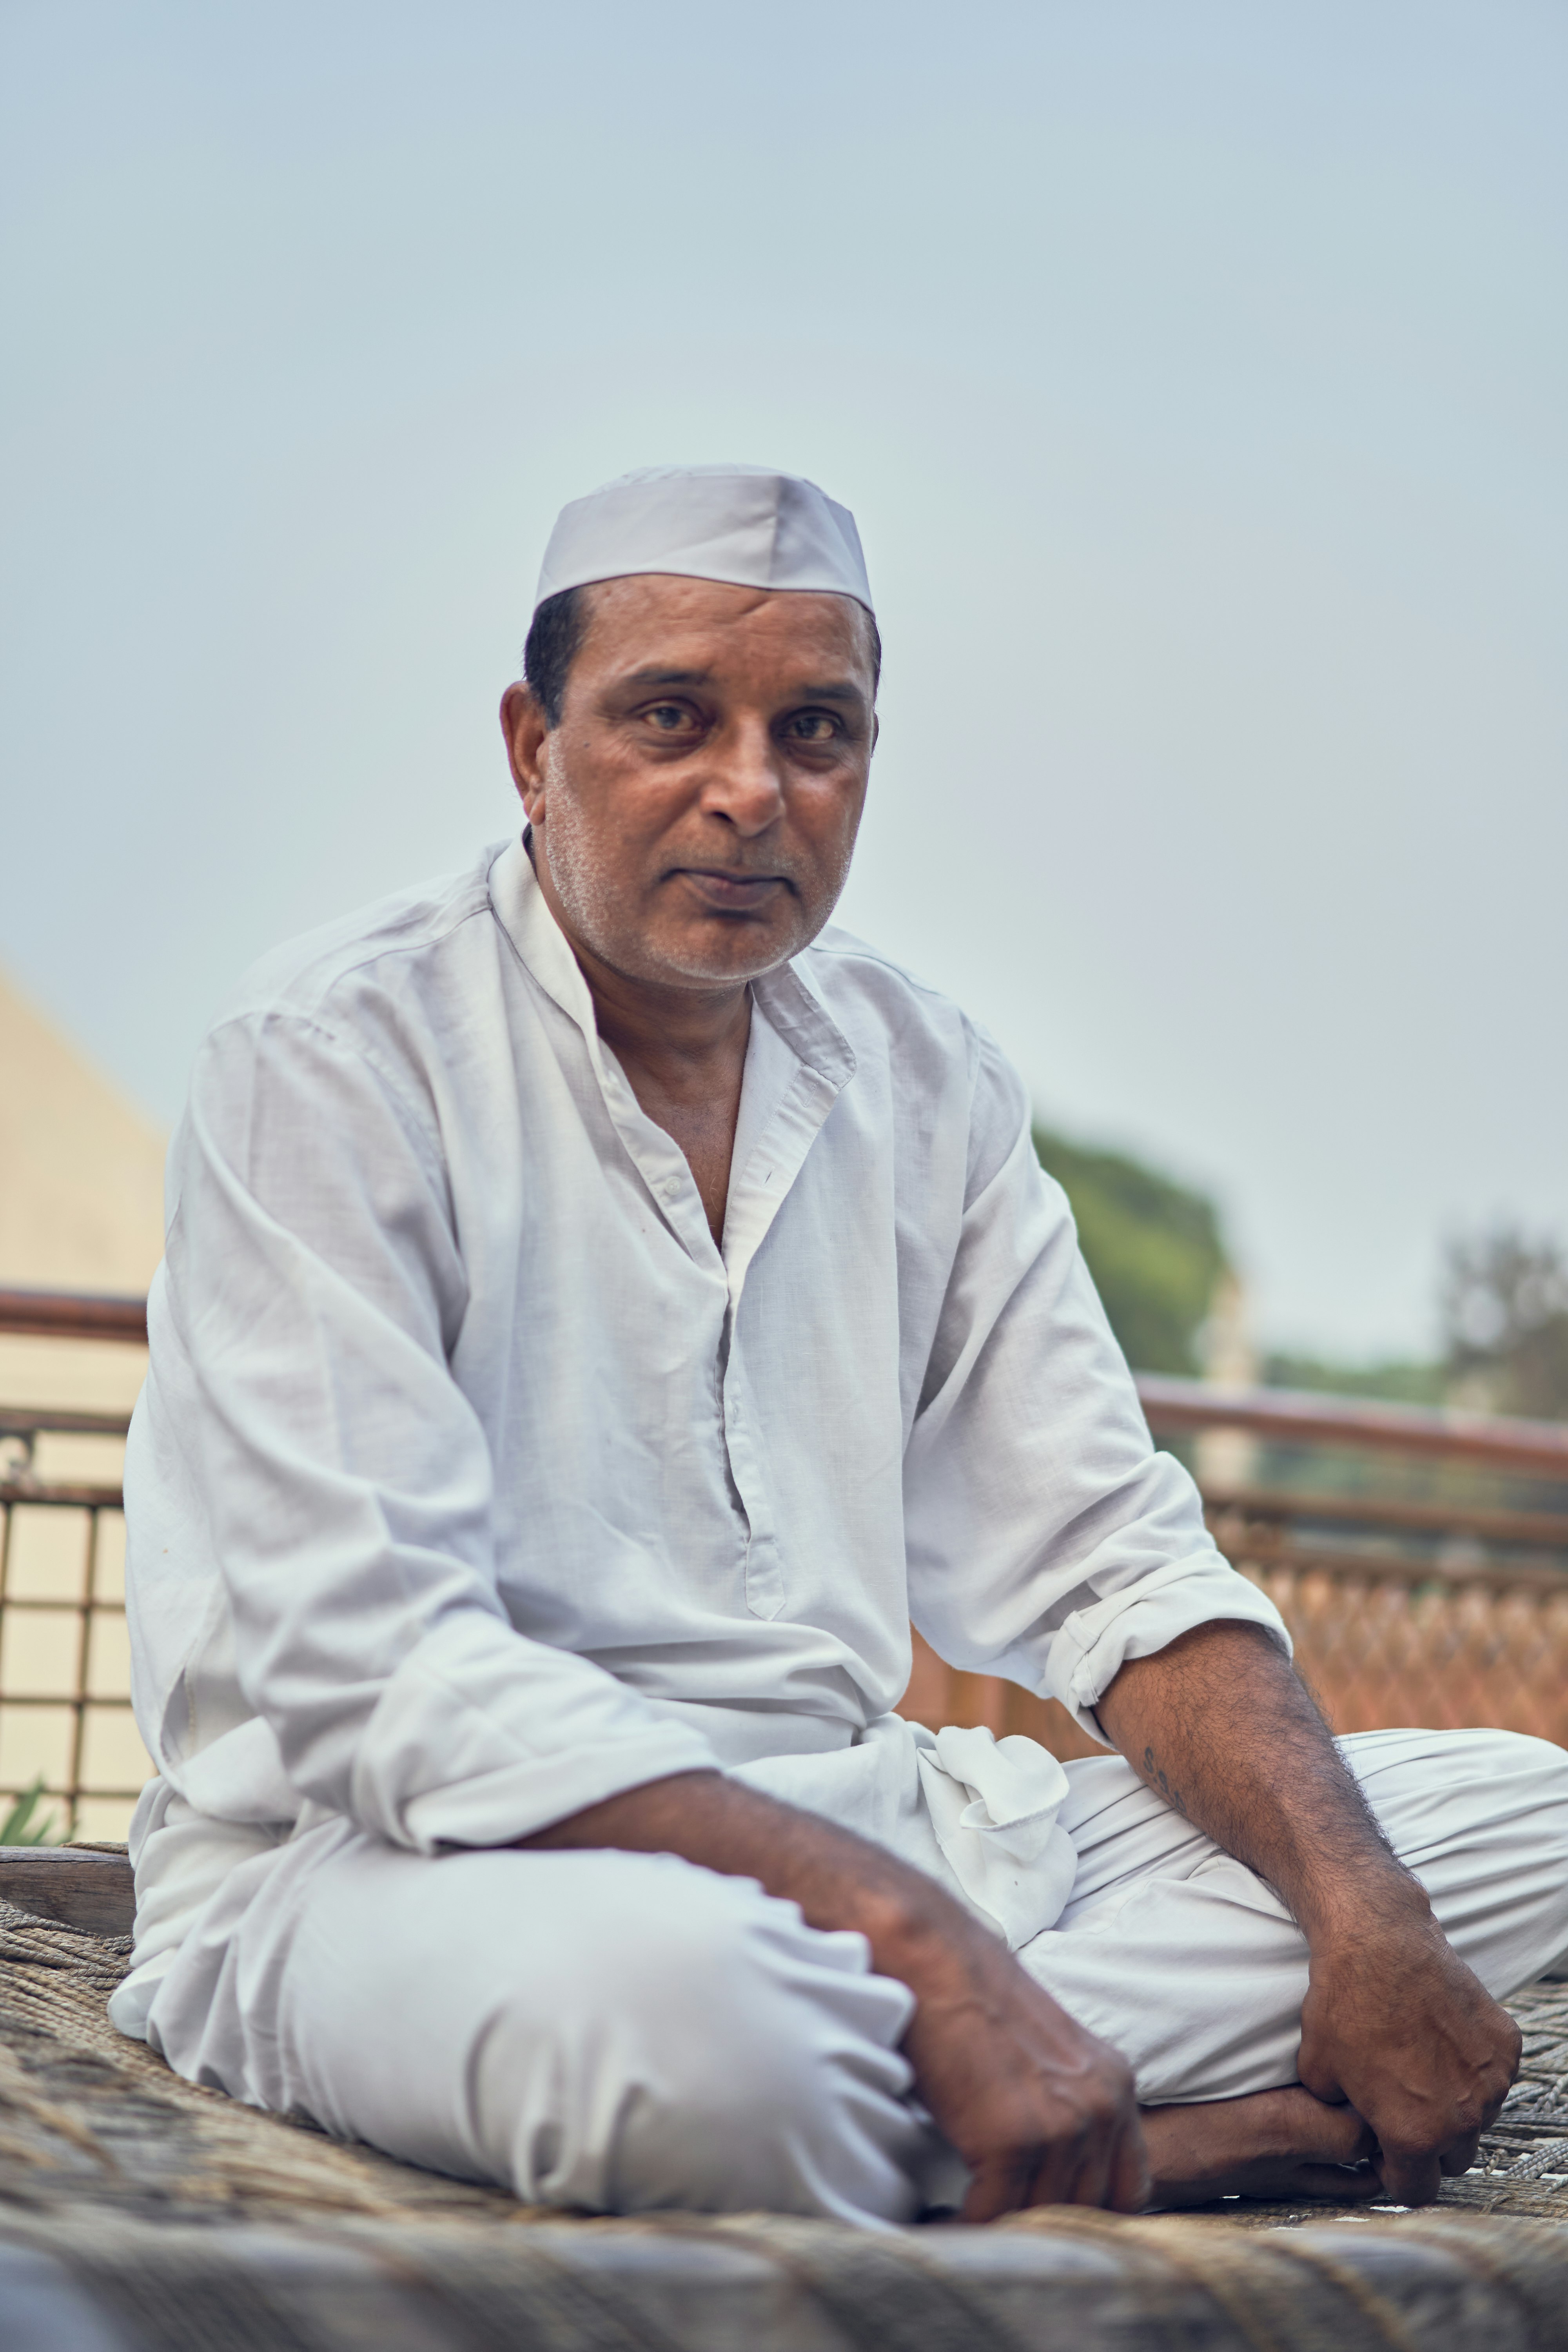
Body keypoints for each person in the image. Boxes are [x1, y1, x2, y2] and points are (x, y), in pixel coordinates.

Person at [111, 464, 1568, 2227]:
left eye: (816, 730)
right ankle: (1114, 2133)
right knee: (697, 2035)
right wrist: (915, 1943)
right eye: (671, 717)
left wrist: (1364, 1924)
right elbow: (378, 1679)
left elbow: (1106, 1556)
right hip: (407, 1869)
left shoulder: (919, 1071)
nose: (751, 791)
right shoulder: (334, 1056)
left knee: (1513, 1823)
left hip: (868, 1822)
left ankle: (945, 2111)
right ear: (529, 744)